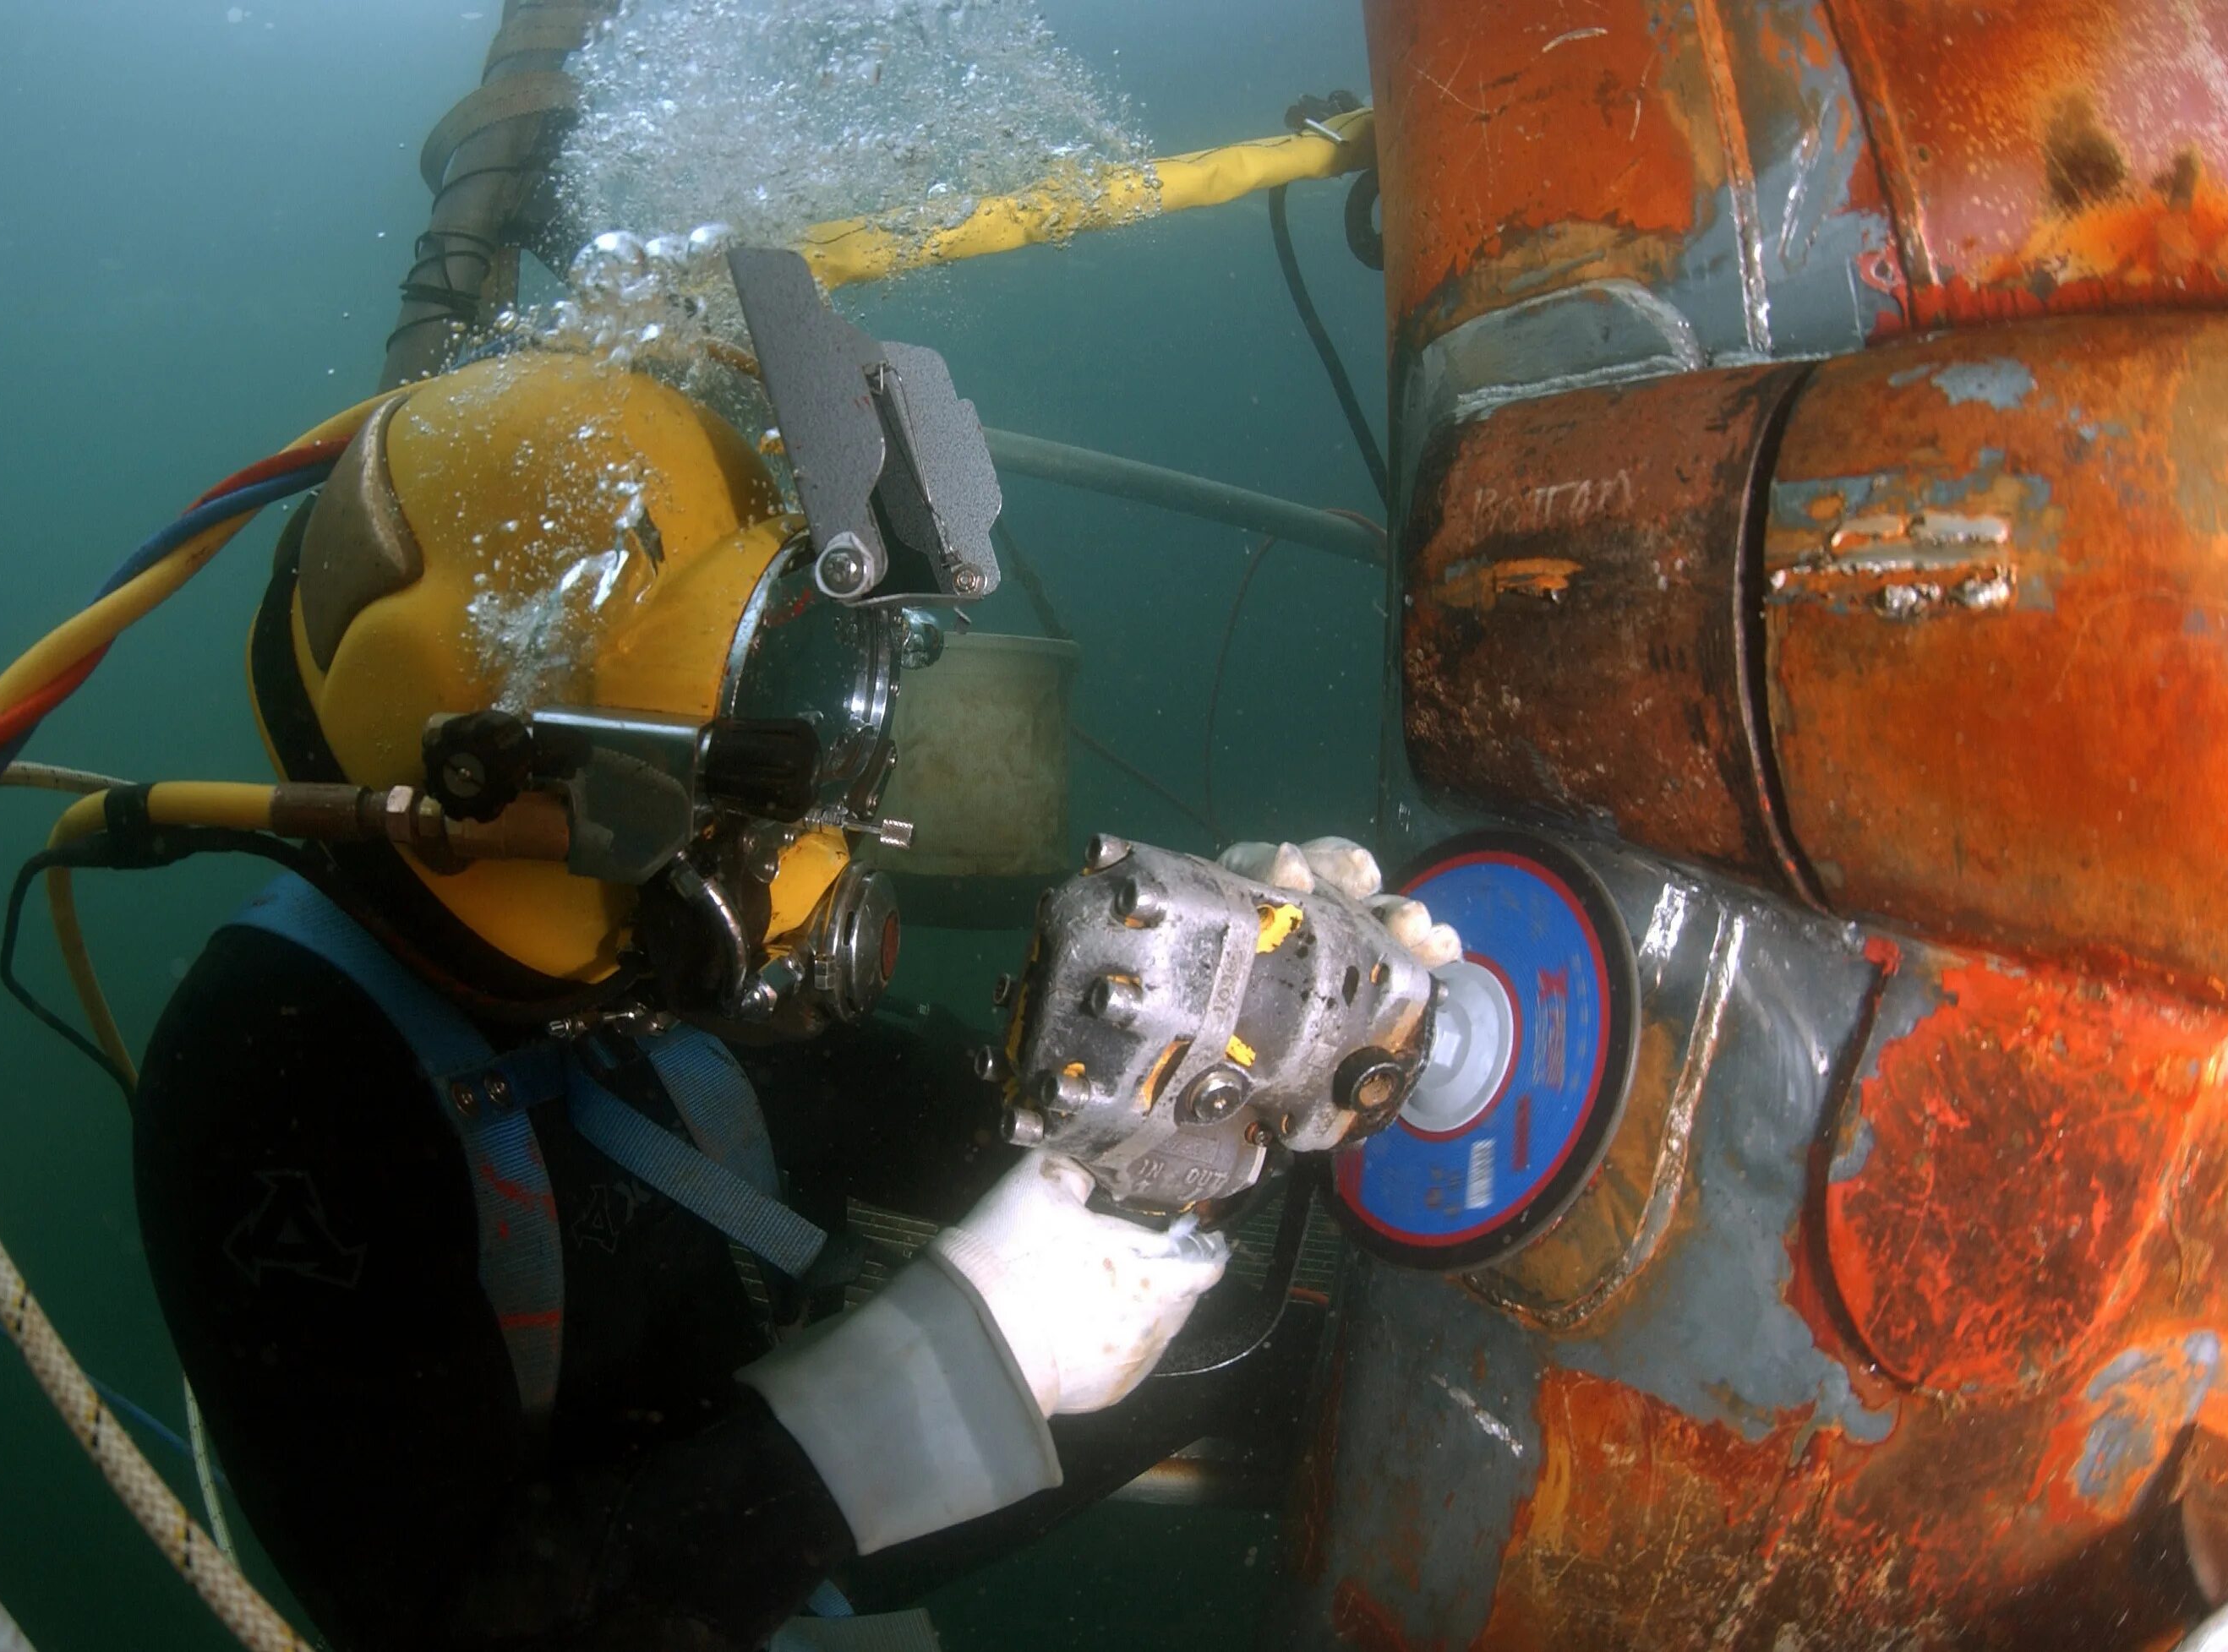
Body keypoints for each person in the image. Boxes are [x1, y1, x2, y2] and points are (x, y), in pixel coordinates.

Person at [126, 344, 1432, 1650]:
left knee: (1321, 1335)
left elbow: (945, 1135)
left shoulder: (650, 930)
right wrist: (927, 1377)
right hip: (671, 1579)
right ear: (506, 781)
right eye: (753, 746)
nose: (811, 830)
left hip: (775, 1493)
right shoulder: (269, 1085)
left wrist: (1210, 1042)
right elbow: (460, 1623)